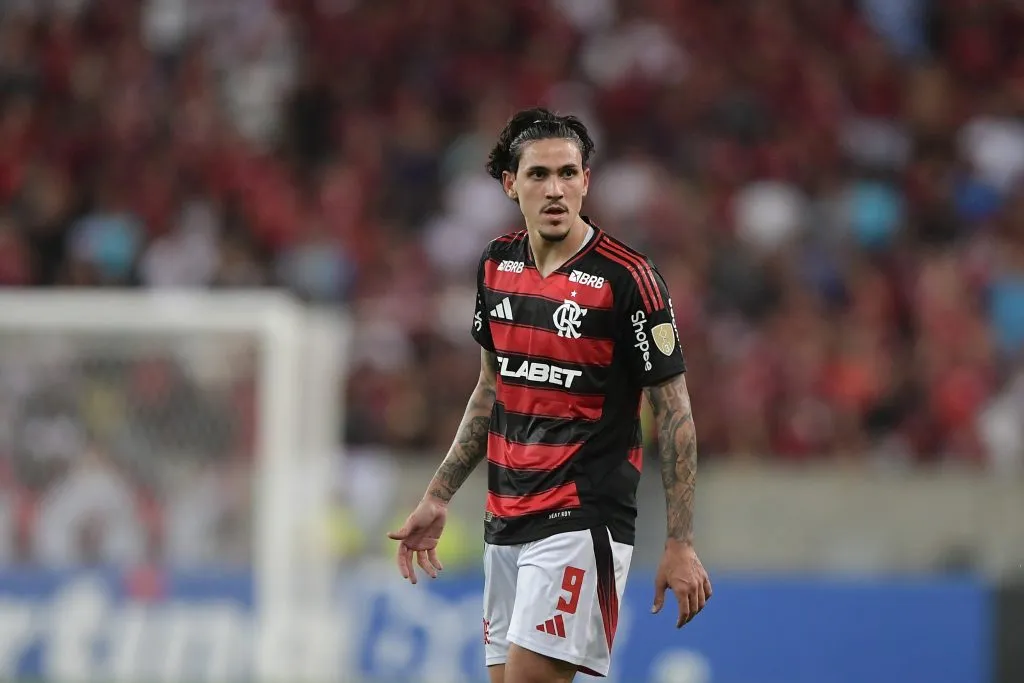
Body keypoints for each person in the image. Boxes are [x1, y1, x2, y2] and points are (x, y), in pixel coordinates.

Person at [388, 108, 711, 683]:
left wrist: (681, 540)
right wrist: (438, 496)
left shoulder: (627, 279)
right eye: (538, 174)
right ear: (511, 184)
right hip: (504, 517)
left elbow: (675, 409)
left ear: (587, 180)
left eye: (568, 173)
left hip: (581, 517)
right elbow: (491, 390)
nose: (555, 189)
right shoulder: (496, 264)